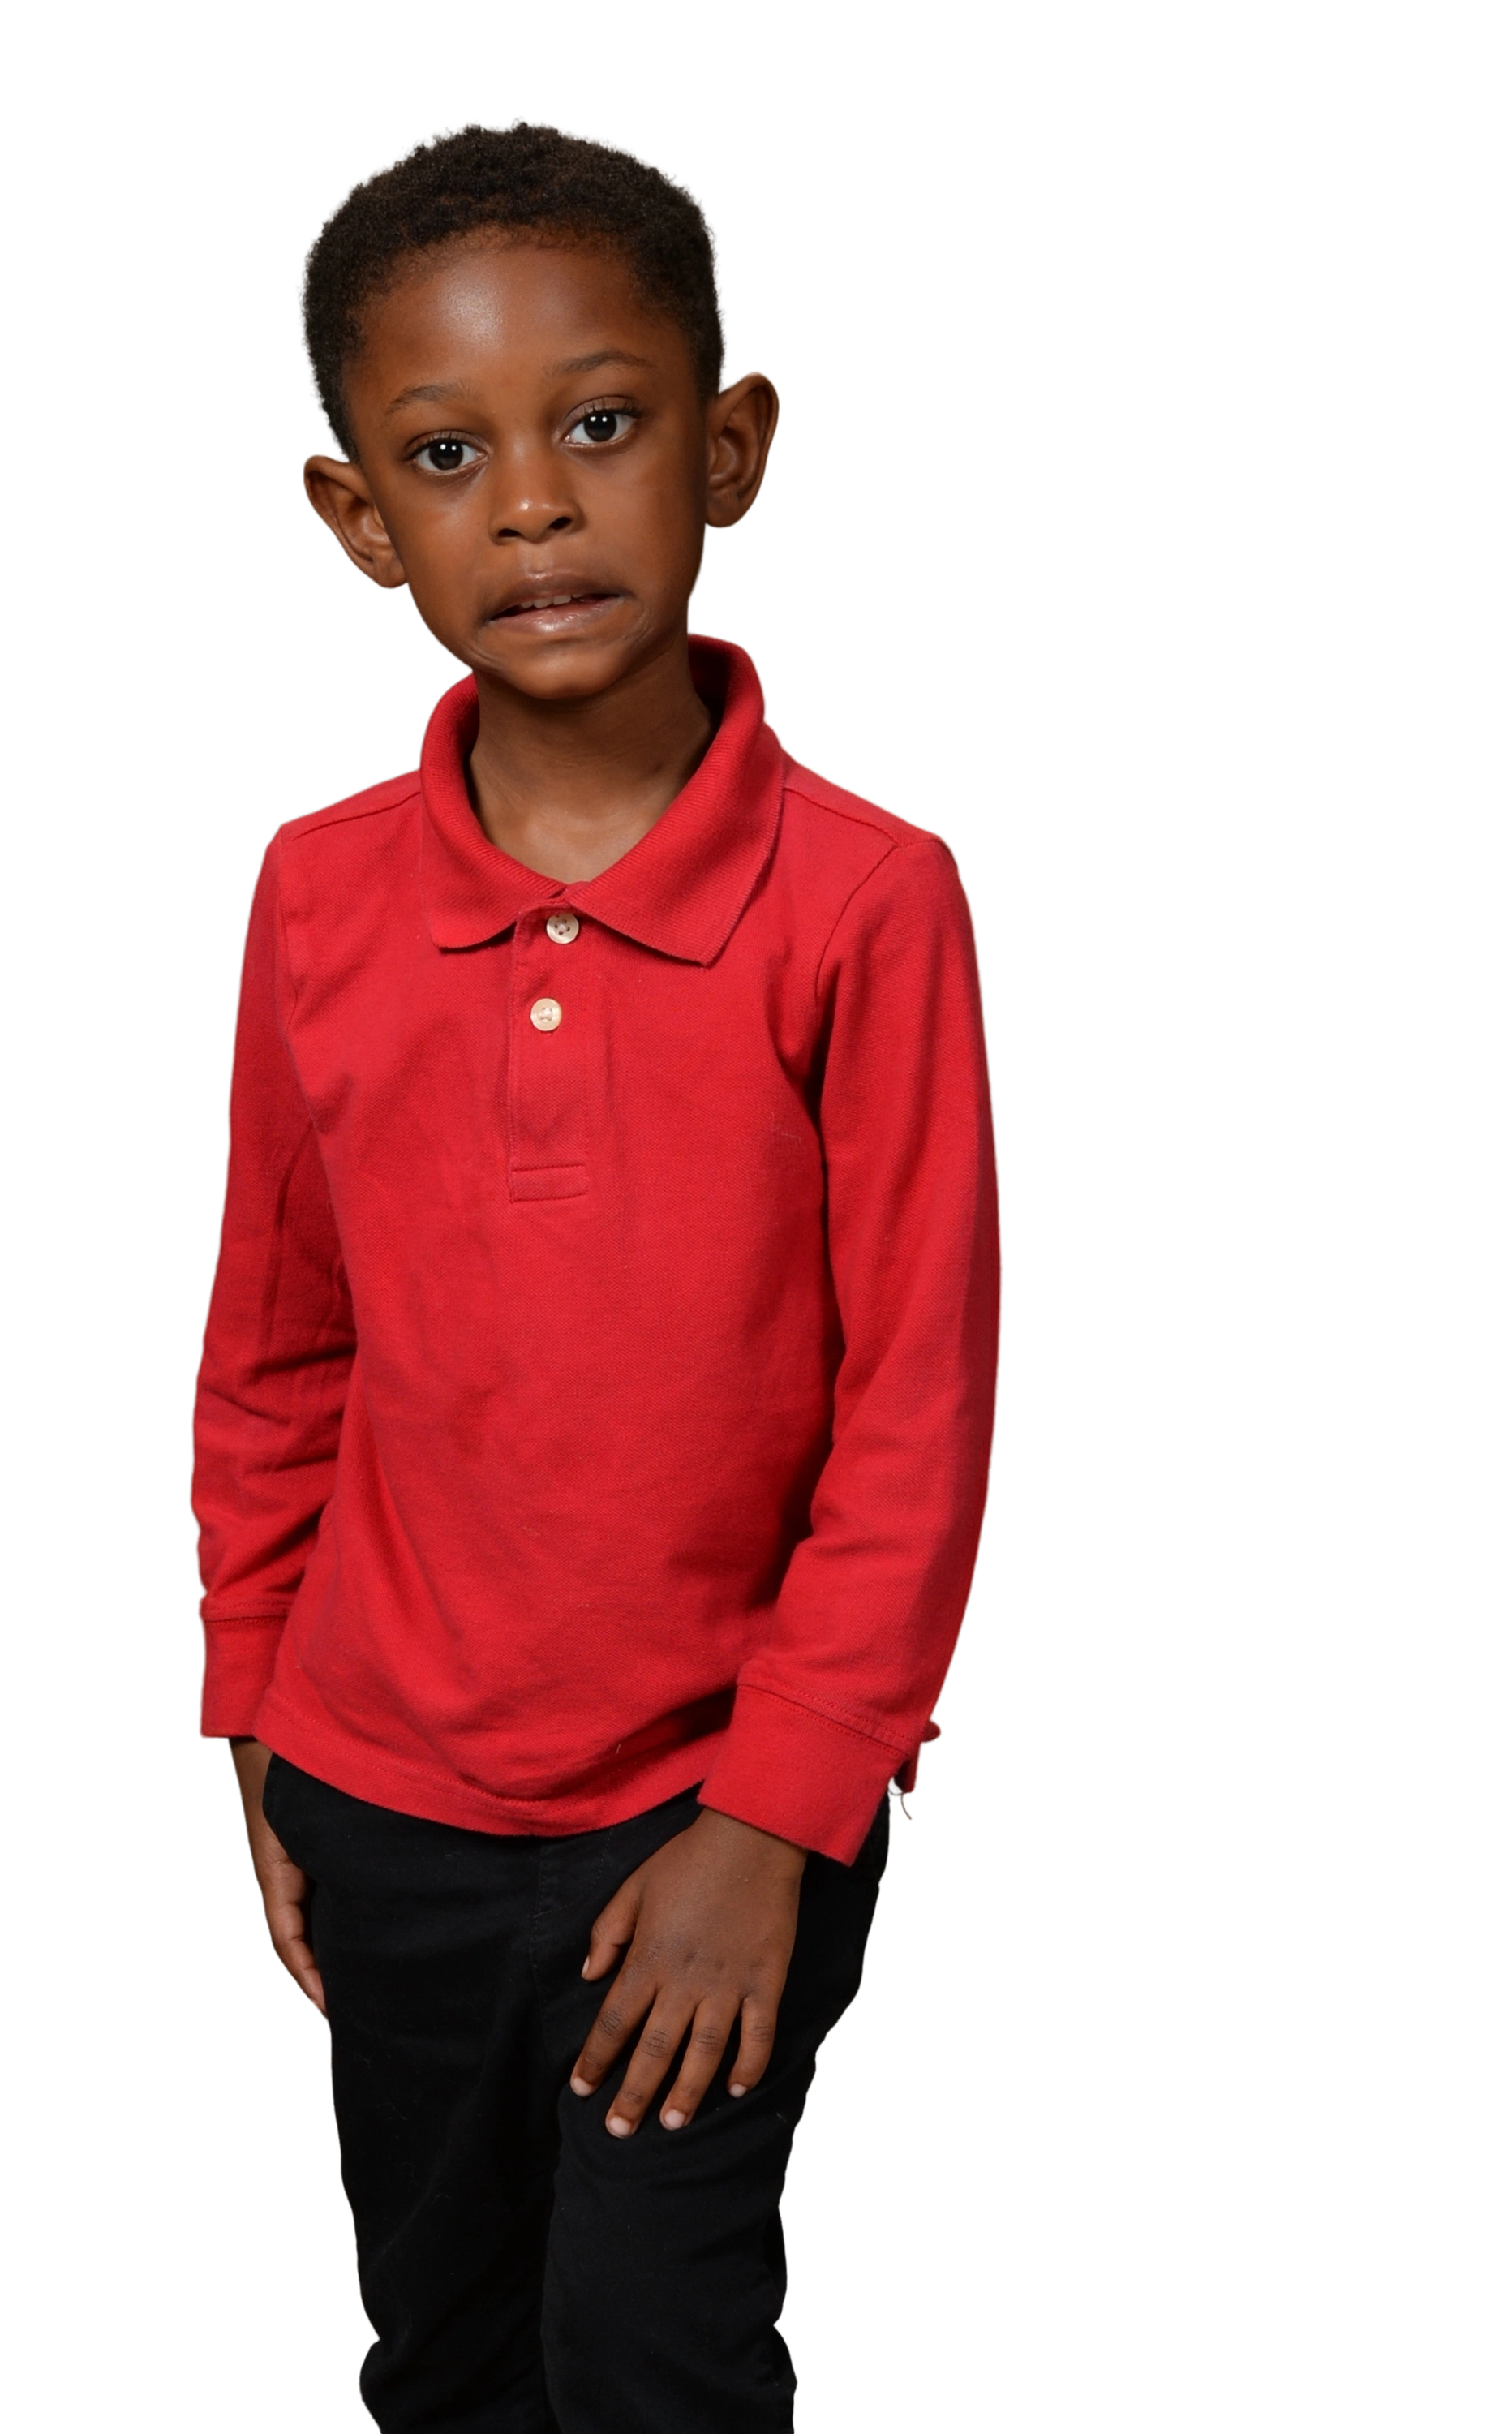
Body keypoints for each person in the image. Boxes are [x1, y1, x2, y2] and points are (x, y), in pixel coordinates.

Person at [190, 114, 1001, 2433]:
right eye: (450, 454)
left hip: (714, 1813)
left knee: (654, 2358)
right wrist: (255, 1719)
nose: (534, 504)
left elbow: (918, 1410)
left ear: (733, 449)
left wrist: (778, 1816)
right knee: (443, 2356)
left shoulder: (868, 901)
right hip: (385, 1797)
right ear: (360, 517)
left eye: (605, 424)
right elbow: (275, 1351)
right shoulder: (317, 892)